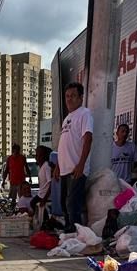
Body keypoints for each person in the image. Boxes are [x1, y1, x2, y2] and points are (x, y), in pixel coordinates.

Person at [54, 82, 93, 232]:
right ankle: (69, 231)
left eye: (73, 96)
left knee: (73, 204)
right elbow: (63, 145)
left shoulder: (84, 114)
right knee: (64, 203)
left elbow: (88, 138)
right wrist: (57, 166)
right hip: (64, 169)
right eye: (67, 96)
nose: (69, 99)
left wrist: (81, 165)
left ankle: (76, 234)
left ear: (81, 98)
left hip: (76, 169)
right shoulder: (67, 118)